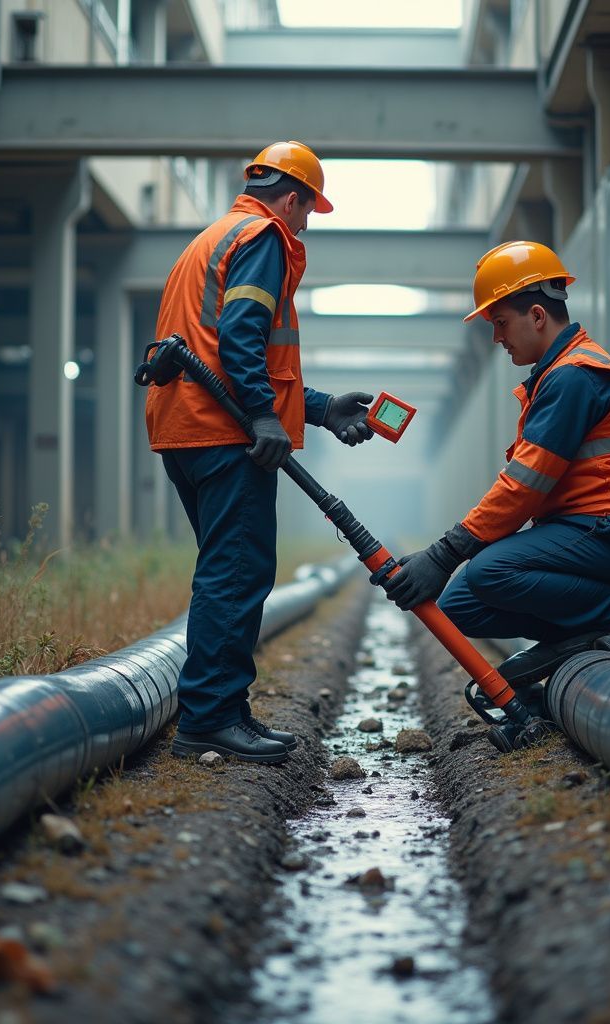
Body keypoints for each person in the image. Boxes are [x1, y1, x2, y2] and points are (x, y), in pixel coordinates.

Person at [146, 141, 374, 764]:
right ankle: (212, 719)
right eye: (307, 212)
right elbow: (242, 336)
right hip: (224, 430)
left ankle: (222, 709)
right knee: (238, 572)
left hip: (188, 427)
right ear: (292, 197)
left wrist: (321, 409)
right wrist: (261, 415)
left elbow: (219, 346)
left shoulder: (212, 237)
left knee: (228, 567)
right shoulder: (265, 237)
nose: (305, 225)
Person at [384, 240, 610, 693]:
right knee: (459, 603)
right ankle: (581, 643)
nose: (497, 337)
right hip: (593, 531)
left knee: (489, 572)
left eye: (501, 323)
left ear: (537, 316)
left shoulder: (573, 376)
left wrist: (443, 554)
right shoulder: (558, 373)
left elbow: (524, 485)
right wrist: (443, 563)